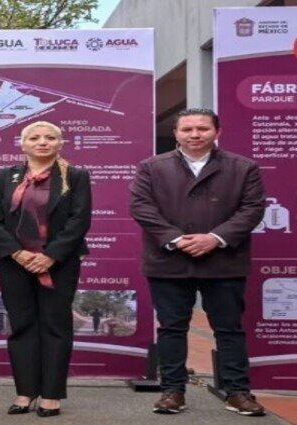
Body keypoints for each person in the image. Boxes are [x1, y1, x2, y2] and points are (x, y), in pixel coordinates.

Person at [130, 108, 266, 416]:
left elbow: (252, 209)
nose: (195, 134)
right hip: (168, 260)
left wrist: (214, 238)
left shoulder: (243, 167)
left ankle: (237, 391)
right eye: (187, 129)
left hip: (224, 260)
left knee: (229, 328)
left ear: (217, 131)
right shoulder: (152, 167)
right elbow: (141, 207)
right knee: (171, 328)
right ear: (176, 133)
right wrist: (177, 239)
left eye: (202, 128)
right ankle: (172, 391)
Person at [0, 121, 92, 417]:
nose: (42, 142)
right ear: (23, 144)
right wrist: (17, 254)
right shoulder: (4, 177)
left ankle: (52, 395)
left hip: (59, 264)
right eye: (35, 137)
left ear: (60, 143)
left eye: (50, 138)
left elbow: (79, 221)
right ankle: (25, 392)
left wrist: (51, 256)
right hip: (13, 263)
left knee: (55, 326)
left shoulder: (76, 177)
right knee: (22, 325)